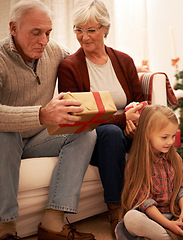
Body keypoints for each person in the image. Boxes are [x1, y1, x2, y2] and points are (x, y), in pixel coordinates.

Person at [0, 0, 97, 239]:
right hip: (5, 139)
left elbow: (85, 62)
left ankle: (53, 221)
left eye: (48, 32)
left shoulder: (52, 50)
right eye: (36, 33)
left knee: (85, 130)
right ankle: (6, 226)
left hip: (35, 139)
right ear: (13, 28)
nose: (43, 40)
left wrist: (128, 74)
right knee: (6, 133)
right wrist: (41, 114)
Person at [57, 0, 144, 235]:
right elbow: (79, 117)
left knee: (156, 131)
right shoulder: (69, 67)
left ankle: (162, 201)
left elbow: (139, 100)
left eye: (91, 30)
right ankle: (116, 210)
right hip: (92, 139)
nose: (84, 37)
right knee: (110, 133)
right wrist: (122, 120)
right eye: (78, 29)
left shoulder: (123, 60)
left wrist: (134, 121)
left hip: (127, 129)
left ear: (105, 28)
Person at [115, 105, 183, 240]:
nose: (170, 142)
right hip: (151, 217)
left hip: (174, 213)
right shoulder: (136, 163)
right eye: (164, 137)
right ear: (147, 134)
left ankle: (171, 234)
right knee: (131, 219)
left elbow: (182, 188)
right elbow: (145, 203)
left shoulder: (175, 158)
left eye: (173, 136)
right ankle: (179, 235)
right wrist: (168, 224)